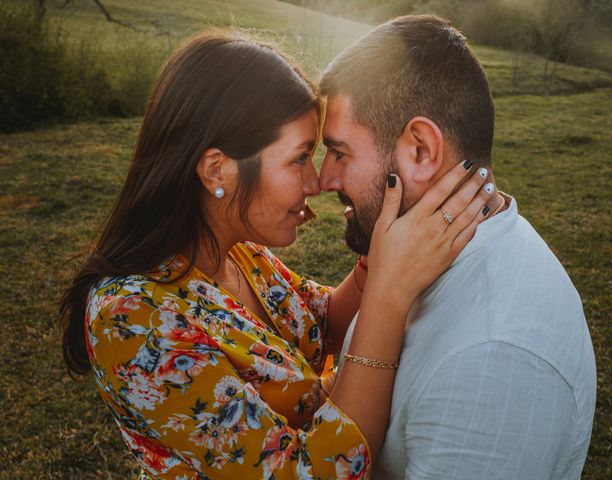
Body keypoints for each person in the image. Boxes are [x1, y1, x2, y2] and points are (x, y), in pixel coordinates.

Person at [58, 32, 497, 479]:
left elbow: (323, 322)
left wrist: (386, 241)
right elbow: (309, 472)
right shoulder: (132, 319)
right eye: (299, 158)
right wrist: (389, 292)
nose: (316, 182)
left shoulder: (240, 254)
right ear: (217, 170)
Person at [319, 15, 597, 480]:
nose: (324, 179)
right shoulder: (412, 265)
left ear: (421, 151)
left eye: (340, 153)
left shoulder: (495, 355)